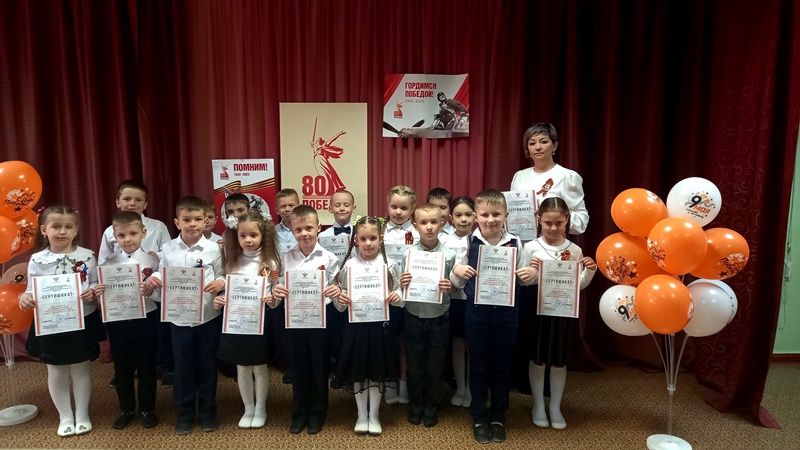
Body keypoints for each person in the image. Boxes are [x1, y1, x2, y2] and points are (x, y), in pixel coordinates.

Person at [451, 189, 538, 444]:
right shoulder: (467, 243)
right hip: (476, 313)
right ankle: (479, 416)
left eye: (496, 214)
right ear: (476, 216)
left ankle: (498, 416)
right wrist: (457, 271)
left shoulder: (516, 243)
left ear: (506, 215)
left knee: (502, 365)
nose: (491, 219)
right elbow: (456, 282)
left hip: (507, 313)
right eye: (485, 214)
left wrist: (531, 275)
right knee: (478, 365)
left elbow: (523, 279)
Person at [142, 196, 225, 435]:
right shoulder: (168, 249)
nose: (192, 224)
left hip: (208, 317)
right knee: (183, 366)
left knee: (207, 365)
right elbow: (161, 273)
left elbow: (223, 274)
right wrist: (154, 279)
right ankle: (185, 412)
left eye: (198, 219)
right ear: (177, 222)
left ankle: (208, 411)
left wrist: (220, 283)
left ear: (205, 221)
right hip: (179, 319)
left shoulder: (214, 248)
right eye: (186, 220)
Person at [18, 206, 104, 436]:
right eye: (56, 226)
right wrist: (24, 298)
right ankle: (65, 416)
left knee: (81, 368)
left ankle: (82, 414)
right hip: (51, 322)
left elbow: (94, 283)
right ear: (44, 230)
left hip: (82, 319)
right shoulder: (37, 259)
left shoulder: (87, 256)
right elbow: (30, 289)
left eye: (68, 226)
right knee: (56, 370)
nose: (62, 231)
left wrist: (93, 291)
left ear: (76, 230)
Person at [524, 197, 597, 430]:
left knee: (558, 361)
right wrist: (532, 272)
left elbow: (578, 285)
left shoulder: (574, 250)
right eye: (548, 222)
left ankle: (555, 406)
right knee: (538, 359)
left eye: (559, 222)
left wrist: (590, 271)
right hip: (538, 310)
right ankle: (538, 405)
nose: (553, 228)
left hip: (564, 312)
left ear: (567, 220)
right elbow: (523, 282)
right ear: (539, 220)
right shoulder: (530, 247)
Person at [271, 205, 341, 435]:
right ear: (292, 231)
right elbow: (275, 286)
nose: (304, 233)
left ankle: (317, 413)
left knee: (319, 367)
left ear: (318, 227)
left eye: (309, 228)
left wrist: (336, 290)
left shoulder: (329, 258)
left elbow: (337, 287)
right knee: (298, 367)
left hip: (320, 322)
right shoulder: (285, 259)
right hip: (294, 322)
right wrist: (277, 290)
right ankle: (300, 413)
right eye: (298, 229)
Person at [97, 180, 173, 386]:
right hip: (121, 295)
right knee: (123, 338)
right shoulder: (110, 231)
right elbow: (103, 262)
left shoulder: (157, 226)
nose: (132, 203)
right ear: (118, 202)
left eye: (138, 200)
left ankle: (161, 367)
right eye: (127, 199)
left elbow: (168, 253)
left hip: (151, 292)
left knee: (155, 333)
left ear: (145, 204)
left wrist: (154, 257)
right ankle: (125, 371)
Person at [334, 216, 403, 435]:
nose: (368, 243)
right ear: (356, 240)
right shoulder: (348, 266)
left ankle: (374, 415)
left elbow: (400, 293)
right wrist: (341, 299)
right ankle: (361, 415)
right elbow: (339, 303)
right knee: (359, 372)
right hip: (356, 327)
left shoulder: (389, 265)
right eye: (363, 239)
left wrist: (397, 296)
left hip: (380, 327)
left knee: (376, 372)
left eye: (373, 238)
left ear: (381, 239)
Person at [213, 211, 281, 429]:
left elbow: (275, 287)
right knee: (242, 367)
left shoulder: (268, 263)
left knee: (259, 367)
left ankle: (260, 408)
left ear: (263, 236)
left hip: (259, 321)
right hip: (236, 321)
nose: (248, 240)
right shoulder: (232, 260)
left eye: (253, 235)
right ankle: (248, 408)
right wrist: (221, 298)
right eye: (243, 236)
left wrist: (273, 298)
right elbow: (228, 286)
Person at [93, 211, 160, 430]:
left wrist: (150, 291)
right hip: (118, 320)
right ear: (114, 237)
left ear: (143, 233)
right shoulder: (107, 264)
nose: (127, 239)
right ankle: (126, 409)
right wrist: (99, 293)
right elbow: (102, 298)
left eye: (133, 233)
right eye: (121, 235)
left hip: (146, 318)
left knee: (147, 366)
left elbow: (162, 295)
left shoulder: (153, 262)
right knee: (122, 367)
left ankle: (147, 409)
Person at [400, 203, 458, 428]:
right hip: (413, 316)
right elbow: (398, 286)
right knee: (415, 365)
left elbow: (456, 288)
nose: (429, 227)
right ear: (415, 225)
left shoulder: (450, 255)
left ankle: (432, 404)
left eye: (434, 222)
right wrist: (402, 282)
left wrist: (451, 286)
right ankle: (416, 403)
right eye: (423, 222)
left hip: (439, 318)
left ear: (442, 223)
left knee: (436, 365)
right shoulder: (407, 254)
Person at [510, 123, 589, 235]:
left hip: (552, 241)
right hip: (522, 241)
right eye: (532, 143)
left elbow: (581, 223)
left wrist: (552, 214)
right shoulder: (520, 176)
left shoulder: (567, 176)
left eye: (543, 142)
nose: (537, 147)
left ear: (554, 146)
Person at [381, 185, 419, 404]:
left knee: (405, 342)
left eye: (403, 208)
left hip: (410, 295)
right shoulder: (378, 230)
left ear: (413, 209)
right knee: (387, 342)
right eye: (394, 206)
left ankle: (404, 382)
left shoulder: (418, 233)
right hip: (384, 296)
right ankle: (390, 383)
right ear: (387, 205)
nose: (398, 212)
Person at [446, 196, 475, 408]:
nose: (463, 219)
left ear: (475, 216)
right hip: (455, 299)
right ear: (451, 218)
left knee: (473, 345)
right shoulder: (445, 241)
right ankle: (460, 388)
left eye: (467, 215)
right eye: (458, 215)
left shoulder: (480, 240)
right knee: (457, 344)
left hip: (475, 301)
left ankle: (472, 388)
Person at [273, 188, 300, 385]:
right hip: (282, 288)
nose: (287, 209)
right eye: (283, 206)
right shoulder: (272, 233)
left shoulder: (307, 228)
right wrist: (276, 280)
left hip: (304, 287)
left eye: (291, 205)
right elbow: (266, 262)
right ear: (276, 210)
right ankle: (290, 366)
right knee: (285, 330)